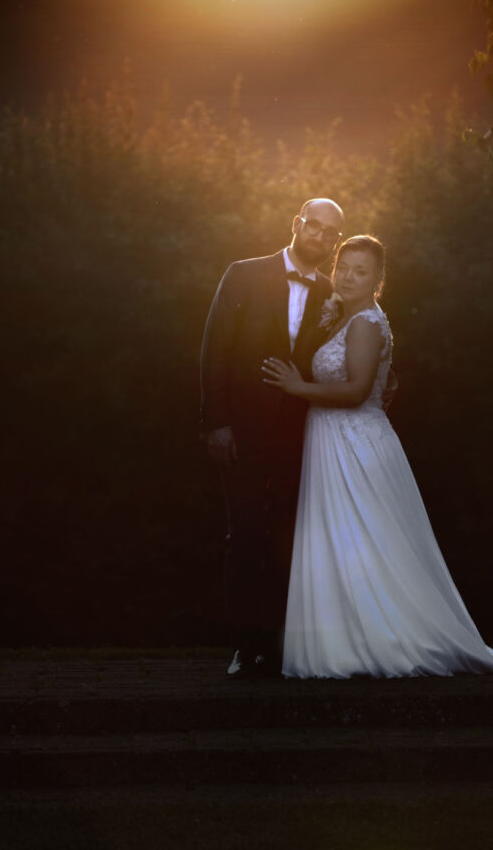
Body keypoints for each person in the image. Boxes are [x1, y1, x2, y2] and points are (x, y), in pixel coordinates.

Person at [263, 235, 493, 678]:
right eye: (344, 268)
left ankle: (382, 642)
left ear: (379, 279)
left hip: (355, 445)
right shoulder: (345, 317)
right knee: (346, 545)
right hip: (334, 441)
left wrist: (299, 388)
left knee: (369, 545)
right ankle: (350, 641)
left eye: (361, 271)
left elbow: (356, 391)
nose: (349, 277)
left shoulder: (364, 323)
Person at [200, 198, 345, 677]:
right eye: (314, 227)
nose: (320, 239)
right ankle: (244, 646)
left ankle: (281, 647)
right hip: (240, 429)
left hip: (301, 434)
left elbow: (344, 354)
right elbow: (215, 349)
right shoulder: (242, 274)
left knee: (289, 539)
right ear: (296, 224)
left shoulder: (332, 293)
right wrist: (217, 422)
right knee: (243, 534)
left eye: (330, 234)